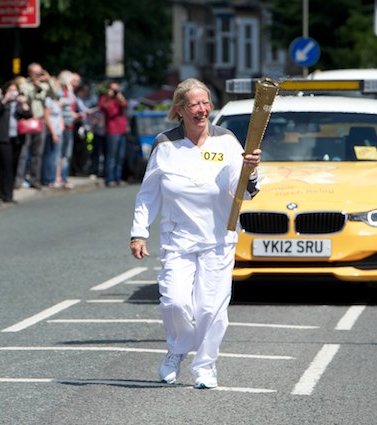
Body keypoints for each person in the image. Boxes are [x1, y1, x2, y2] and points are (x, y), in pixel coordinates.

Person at [129, 78, 261, 389]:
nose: (202, 110)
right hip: (178, 239)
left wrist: (250, 170)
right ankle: (177, 348)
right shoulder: (165, 145)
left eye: (205, 103)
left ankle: (205, 367)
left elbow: (242, 189)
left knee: (209, 308)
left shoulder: (226, 141)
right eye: (194, 104)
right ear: (179, 110)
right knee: (175, 302)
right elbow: (148, 194)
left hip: (218, 238)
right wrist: (138, 233)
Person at [0, 81, 32, 203]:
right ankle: (4, 194)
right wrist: (5, 100)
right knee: (5, 166)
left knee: (14, 165)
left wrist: (24, 103)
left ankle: (10, 194)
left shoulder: (19, 104)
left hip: (17, 138)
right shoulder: (1, 103)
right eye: (10, 90)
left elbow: (29, 115)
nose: (13, 93)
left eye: (15, 90)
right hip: (3, 138)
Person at [18, 63, 55, 190]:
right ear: (30, 73)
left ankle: (35, 179)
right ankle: (19, 179)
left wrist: (49, 80)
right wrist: (34, 84)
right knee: (23, 151)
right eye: (35, 73)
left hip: (40, 121)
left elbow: (55, 94)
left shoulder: (45, 86)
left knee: (37, 153)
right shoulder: (24, 85)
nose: (38, 75)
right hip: (27, 120)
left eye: (40, 72)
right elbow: (26, 96)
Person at [98, 81, 128, 187]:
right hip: (112, 130)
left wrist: (119, 95)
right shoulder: (105, 99)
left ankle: (118, 178)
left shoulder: (119, 99)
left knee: (120, 156)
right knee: (112, 156)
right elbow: (104, 108)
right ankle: (110, 178)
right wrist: (108, 97)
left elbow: (125, 105)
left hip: (122, 129)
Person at [40, 89, 65, 187]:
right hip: (51, 132)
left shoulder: (58, 101)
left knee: (56, 157)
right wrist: (53, 133)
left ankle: (54, 178)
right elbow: (46, 117)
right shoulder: (49, 101)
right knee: (49, 156)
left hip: (58, 131)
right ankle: (47, 179)